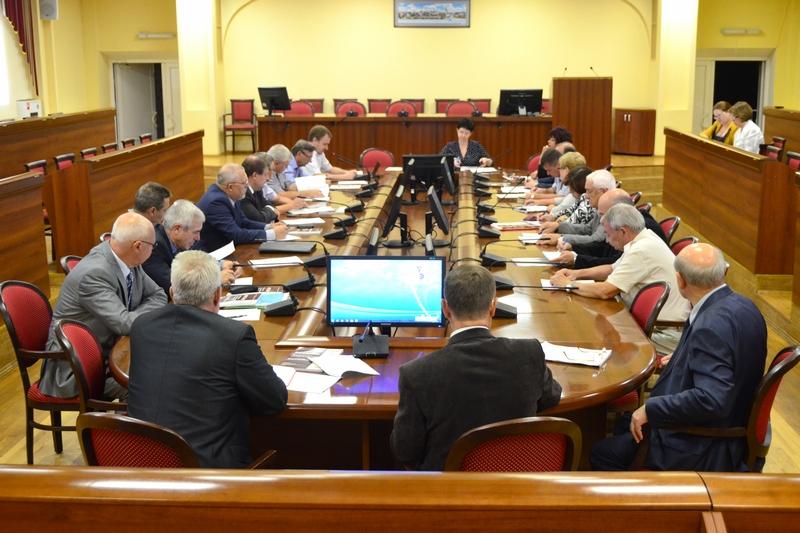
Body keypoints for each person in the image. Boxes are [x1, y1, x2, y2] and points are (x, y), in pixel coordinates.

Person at [590, 243, 767, 471]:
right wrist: (686, 354)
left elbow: (711, 400)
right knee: (624, 424)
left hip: (703, 443)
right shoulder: (746, 306)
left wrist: (651, 408)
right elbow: (734, 355)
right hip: (733, 419)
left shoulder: (710, 326)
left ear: (680, 280)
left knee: (601, 453)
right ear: (723, 272)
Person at [390, 264, 562, 471]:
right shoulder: (529, 353)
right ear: (493, 307)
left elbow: (405, 451)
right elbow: (551, 396)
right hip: (516, 482)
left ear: (445, 309)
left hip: (448, 487)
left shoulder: (416, 374)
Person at [128, 250, 288, 468]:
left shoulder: (142, 326)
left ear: (172, 293)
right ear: (217, 295)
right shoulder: (234, 336)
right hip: (206, 473)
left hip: (139, 465)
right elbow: (274, 400)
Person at [39, 212, 167, 399]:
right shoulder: (94, 274)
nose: (153, 250)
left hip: (110, 350)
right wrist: (134, 315)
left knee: (163, 370)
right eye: (152, 246)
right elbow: (125, 324)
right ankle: (130, 419)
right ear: (138, 246)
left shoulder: (128, 259)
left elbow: (158, 294)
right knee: (152, 386)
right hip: (77, 370)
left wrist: (134, 314)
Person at [550, 203, 689, 325]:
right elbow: (612, 268)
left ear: (622, 231)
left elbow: (605, 291)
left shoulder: (641, 250)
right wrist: (576, 274)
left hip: (660, 329)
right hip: (643, 321)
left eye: (608, 234)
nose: (607, 240)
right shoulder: (644, 238)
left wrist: (568, 285)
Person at [142, 199, 238, 294]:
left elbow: (197, 261)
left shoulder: (180, 241)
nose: (198, 238)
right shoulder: (153, 247)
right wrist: (215, 280)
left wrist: (221, 265)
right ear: (177, 229)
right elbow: (174, 285)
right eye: (195, 232)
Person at [553, 191, 667, 269]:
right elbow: (602, 246)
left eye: (603, 214)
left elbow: (614, 263)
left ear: (618, 210)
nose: (601, 220)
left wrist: (576, 259)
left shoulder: (638, 228)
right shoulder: (626, 221)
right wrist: (573, 247)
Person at [197, 163, 288, 252]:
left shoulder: (230, 194)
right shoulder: (216, 202)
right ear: (230, 187)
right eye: (244, 184)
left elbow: (243, 221)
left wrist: (268, 227)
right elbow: (235, 235)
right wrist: (271, 234)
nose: (247, 187)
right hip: (215, 254)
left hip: (231, 249)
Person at [536, 169, 617, 246]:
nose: (586, 196)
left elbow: (596, 240)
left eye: (589, 191)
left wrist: (562, 238)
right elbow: (587, 229)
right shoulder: (601, 206)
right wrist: (558, 226)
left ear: (603, 192)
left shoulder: (612, 210)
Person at [240, 153, 307, 223]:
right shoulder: (243, 193)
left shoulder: (257, 189)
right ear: (255, 175)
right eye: (265, 174)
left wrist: (270, 211)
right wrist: (291, 205)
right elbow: (259, 218)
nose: (268, 178)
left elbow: (270, 207)